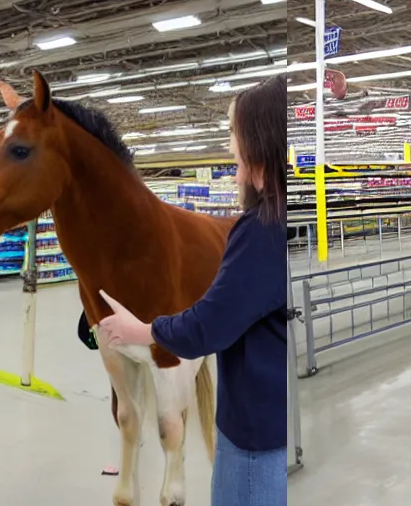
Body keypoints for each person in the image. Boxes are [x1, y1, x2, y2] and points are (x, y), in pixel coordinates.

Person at [97, 74, 289, 506]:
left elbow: (210, 324)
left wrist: (142, 330)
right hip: (265, 417)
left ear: (256, 140)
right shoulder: (272, 222)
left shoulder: (260, 231)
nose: (228, 145)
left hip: (254, 432)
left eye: (231, 131)